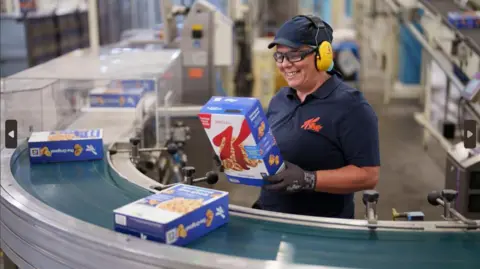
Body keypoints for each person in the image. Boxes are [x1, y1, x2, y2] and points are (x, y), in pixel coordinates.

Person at [254, 15, 380, 219]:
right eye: (280, 56)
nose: (285, 64)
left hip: (319, 228)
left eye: (295, 55)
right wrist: (238, 156)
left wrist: (309, 179)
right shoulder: (280, 99)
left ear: (323, 56)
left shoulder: (351, 106)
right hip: (270, 218)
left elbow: (368, 175)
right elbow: (269, 150)